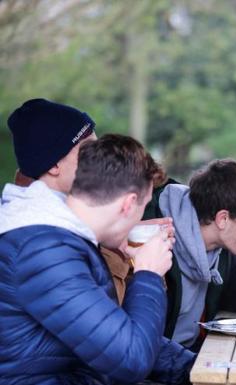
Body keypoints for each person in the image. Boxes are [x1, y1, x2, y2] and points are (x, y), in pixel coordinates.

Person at [0, 134, 195, 384]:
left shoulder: (62, 239)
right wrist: (149, 274)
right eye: (143, 208)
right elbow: (130, 361)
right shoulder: (44, 250)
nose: (139, 220)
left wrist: (196, 366)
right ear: (128, 204)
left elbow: (111, 332)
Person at [5, 98, 171, 303]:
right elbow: (116, 328)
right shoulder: (45, 239)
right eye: (89, 151)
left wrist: (118, 234)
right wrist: (145, 270)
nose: (99, 159)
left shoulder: (63, 221)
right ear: (53, 165)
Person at [156, 158, 236, 351]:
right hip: (155, 369)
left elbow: (232, 290)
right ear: (223, 219)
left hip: (192, 356)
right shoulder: (154, 242)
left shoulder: (222, 247)